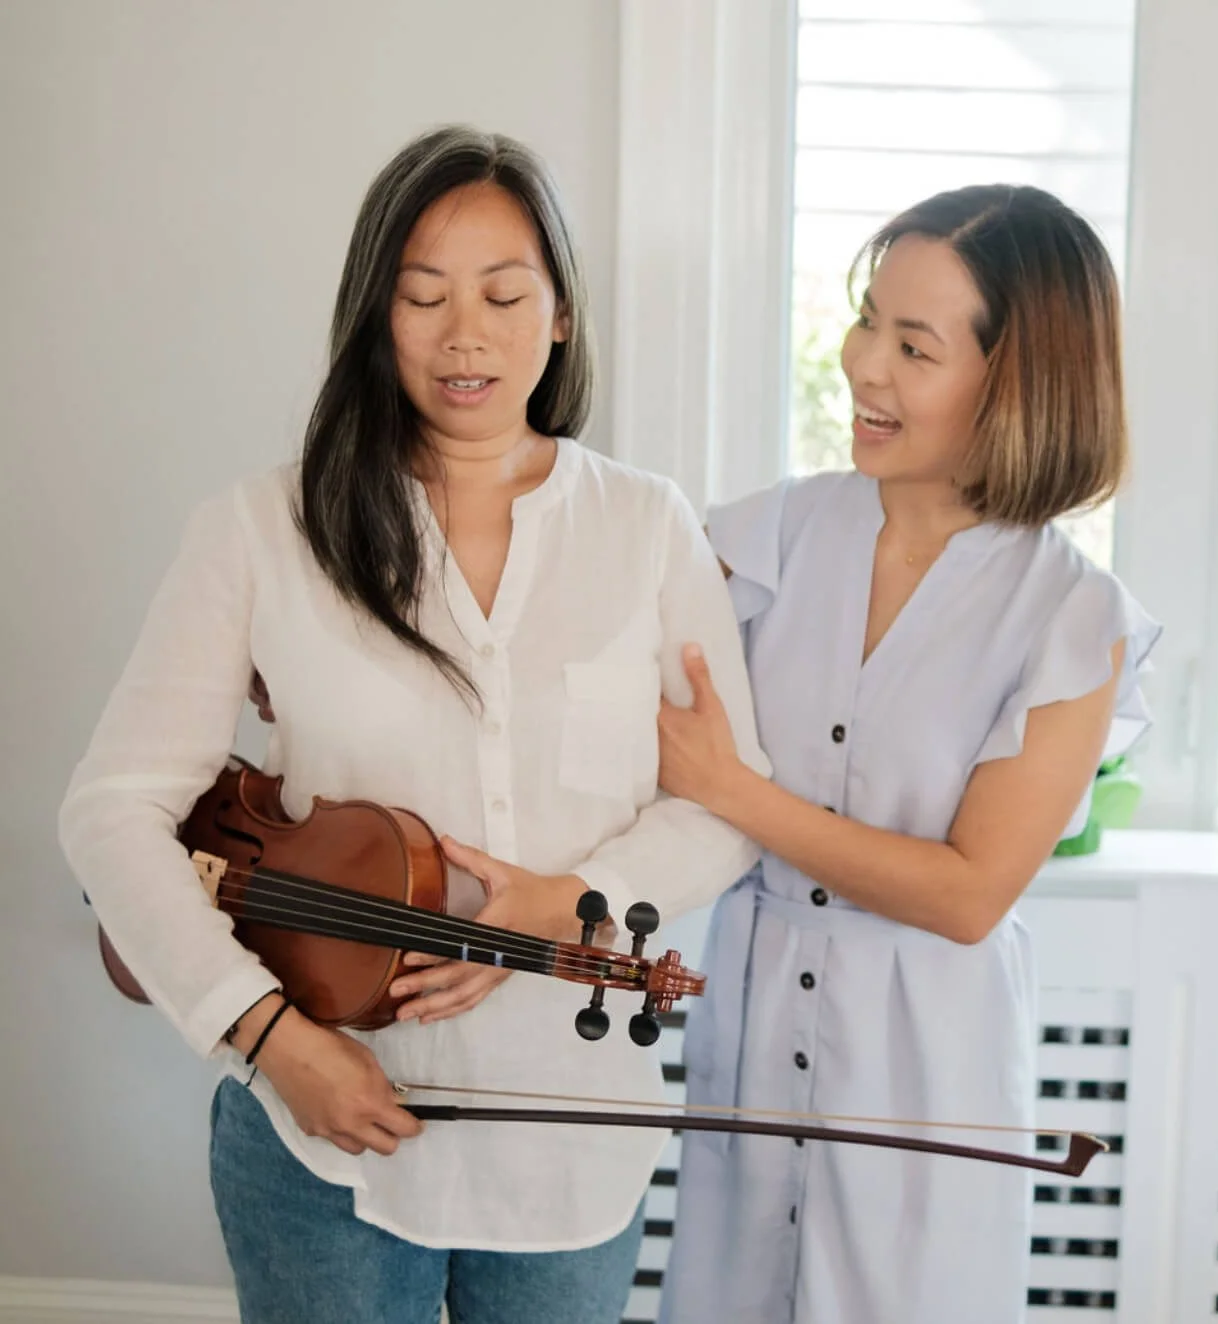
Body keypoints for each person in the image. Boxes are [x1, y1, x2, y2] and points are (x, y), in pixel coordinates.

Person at [58, 125, 766, 1324]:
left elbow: (721, 808)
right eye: (422, 295)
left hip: (571, 1133)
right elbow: (112, 810)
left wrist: (565, 899)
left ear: (560, 317)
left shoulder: (649, 526)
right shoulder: (259, 527)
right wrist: (269, 1037)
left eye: (503, 294)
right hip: (321, 1126)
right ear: (374, 316)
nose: (463, 334)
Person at [653, 185, 1160, 1324]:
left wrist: (739, 794)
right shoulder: (763, 532)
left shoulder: (1075, 619)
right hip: (752, 1019)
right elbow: (588, 667)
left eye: (913, 346)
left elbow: (972, 891)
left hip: (927, 1060)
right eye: (868, 319)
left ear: (1016, 381)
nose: (863, 366)